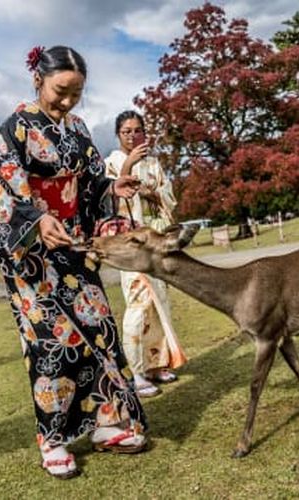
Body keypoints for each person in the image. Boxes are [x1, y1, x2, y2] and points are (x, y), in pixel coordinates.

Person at [0, 45, 146, 479]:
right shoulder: (12, 130)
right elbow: (5, 185)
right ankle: (52, 440)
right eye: (61, 91)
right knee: (50, 342)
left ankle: (106, 421)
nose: (68, 101)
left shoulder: (76, 127)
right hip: (31, 254)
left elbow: (92, 182)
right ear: (38, 79)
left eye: (77, 93)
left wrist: (114, 188)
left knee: (99, 326)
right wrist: (37, 217)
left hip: (72, 242)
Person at [104, 110, 186, 398]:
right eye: (126, 131)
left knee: (159, 300)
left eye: (137, 130)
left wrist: (154, 194)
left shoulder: (154, 163)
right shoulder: (113, 161)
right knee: (138, 301)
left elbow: (168, 195)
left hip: (157, 237)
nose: (132, 135)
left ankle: (156, 363)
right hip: (133, 242)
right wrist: (129, 165)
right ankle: (135, 372)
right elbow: (111, 195)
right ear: (118, 134)